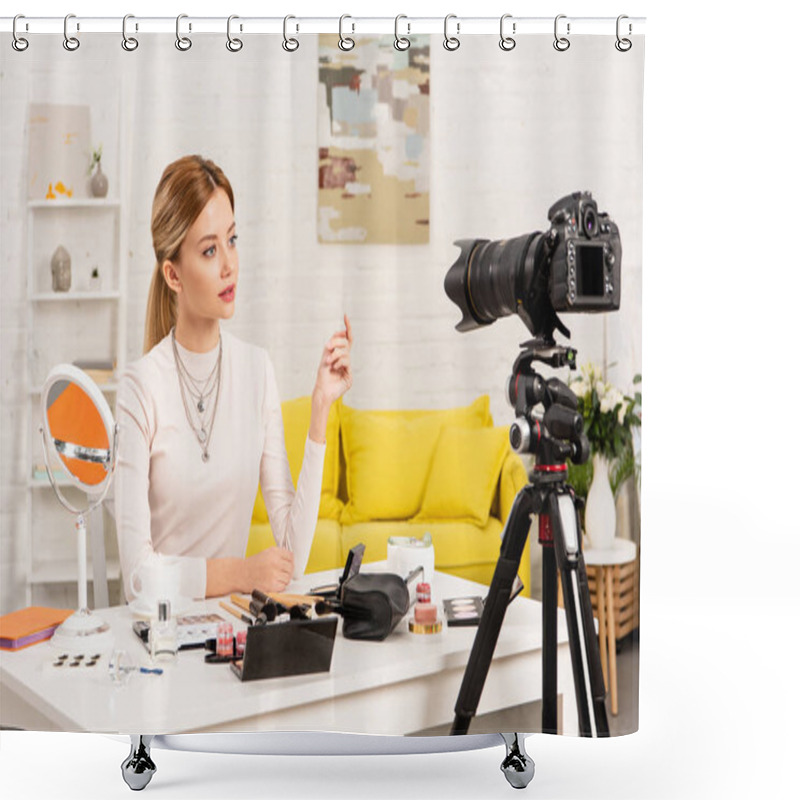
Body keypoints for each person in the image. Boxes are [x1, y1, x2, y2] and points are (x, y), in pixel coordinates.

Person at [114, 154, 353, 603]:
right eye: (209, 250)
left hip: (226, 640)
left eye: (232, 240)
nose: (229, 265)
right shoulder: (140, 387)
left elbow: (289, 557)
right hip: (158, 642)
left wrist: (320, 406)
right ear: (173, 274)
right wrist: (240, 573)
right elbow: (137, 578)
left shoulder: (256, 369)